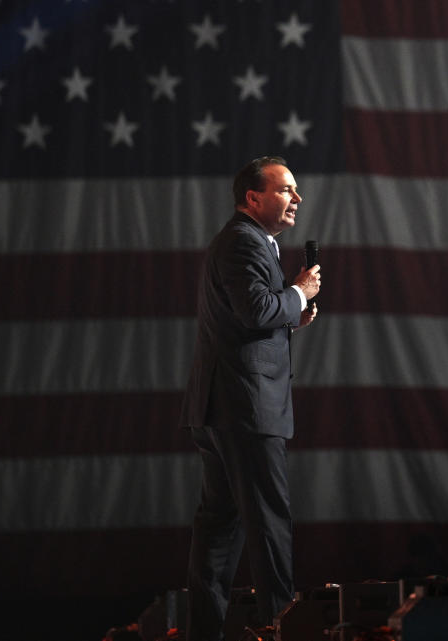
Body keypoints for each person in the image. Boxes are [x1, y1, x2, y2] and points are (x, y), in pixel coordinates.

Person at [179, 156, 321, 639]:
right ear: (253, 198)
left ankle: (206, 633)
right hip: (244, 409)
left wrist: (289, 316)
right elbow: (257, 307)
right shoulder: (244, 240)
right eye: (286, 190)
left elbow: (247, 317)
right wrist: (299, 294)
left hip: (223, 407)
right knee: (269, 523)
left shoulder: (249, 241)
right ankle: (283, 628)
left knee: (220, 529)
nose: (296, 199)